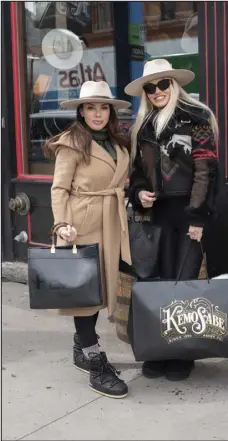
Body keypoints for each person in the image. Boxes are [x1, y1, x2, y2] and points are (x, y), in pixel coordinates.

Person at [125, 59, 219, 381]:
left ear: (174, 85)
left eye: (162, 84)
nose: (156, 92)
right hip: (156, 216)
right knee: (158, 284)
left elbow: (206, 172)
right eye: (150, 88)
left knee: (185, 282)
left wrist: (198, 217)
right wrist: (139, 193)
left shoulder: (198, 119)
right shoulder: (143, 126)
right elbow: (136, 174)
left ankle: (182, 354)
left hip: (189, 214)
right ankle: (160, 350)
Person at [44, 80, 132, 399]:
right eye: (91, 107)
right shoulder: (72, 142)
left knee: (99, 292)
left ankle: (81, 349)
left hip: (111, 222)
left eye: (103, 107)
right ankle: (95, 365)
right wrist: (62, 223)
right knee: (85, 296)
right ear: (81, 112)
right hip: (81, 224)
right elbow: (59, 188)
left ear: (111, 111)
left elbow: (121, 180)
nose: (98, 114)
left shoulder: (119, 141)